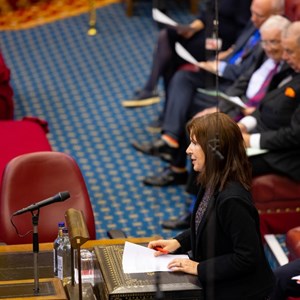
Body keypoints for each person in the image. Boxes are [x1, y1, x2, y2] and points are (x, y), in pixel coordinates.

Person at [163, 20, 300, 230]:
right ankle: (196, 215)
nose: (285, 56)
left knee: (218, 156)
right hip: (265, 135)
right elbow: (266, 108)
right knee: (207, 140)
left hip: (285, 154)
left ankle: (213, 224)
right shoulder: (289, 69)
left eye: (290, 51)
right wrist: (244, 126)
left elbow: (295, 135)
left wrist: (249, 139)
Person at [132, 12, 289, 188]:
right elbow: (244, 79)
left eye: (273, 42)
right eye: (265, 42)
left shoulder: (287, 69)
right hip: (236, 101)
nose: (268, 47)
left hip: (249, 114)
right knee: (186, 97)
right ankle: (174, 156)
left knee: (200, 126)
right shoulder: (264, 48)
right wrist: (221, 106)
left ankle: (192, 200)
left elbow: (273, 108)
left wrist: (234, 114)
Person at [148, 112, 275, 300]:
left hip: (242, 292)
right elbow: (207, 226)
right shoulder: (211, 180)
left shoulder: (232, 199)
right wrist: (179, 242)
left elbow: (247, 257)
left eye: (195, 143)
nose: (188, 150)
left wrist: (199, 267)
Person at [122, 0, 251, 109]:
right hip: (208, 33)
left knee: (171, 54)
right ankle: (151, 89)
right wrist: (192, 28)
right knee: (167, 36)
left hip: (223, 44)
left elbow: (244, 33)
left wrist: (229, 53)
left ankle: (160, 103)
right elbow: (208, 13)